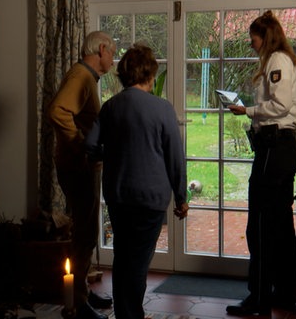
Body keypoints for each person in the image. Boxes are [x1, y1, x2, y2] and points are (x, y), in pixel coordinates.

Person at [85, 43, 189, 319]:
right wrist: (181, 197)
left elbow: (91, 144)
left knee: (123, 257)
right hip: (150, 199)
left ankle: (127, 313)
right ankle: (131, 315)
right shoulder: (162, 109)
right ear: (149, 74)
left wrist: (109, 154)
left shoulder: (110, 107)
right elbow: (175, 157)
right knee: (139, 262)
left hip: (119, 195)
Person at [225, 10, 296, 316]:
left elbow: (280, 106)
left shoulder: (277, 62)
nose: (251, 43)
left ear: (265, 36)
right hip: (284, 149)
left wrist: (247, 111)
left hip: (274, 148)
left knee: (259, 225)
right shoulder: (285, 61)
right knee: (282, 225)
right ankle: (284, 293)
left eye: (253, 37)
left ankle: (258, 297)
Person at [46, 31, 116, 319]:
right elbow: (58, 111)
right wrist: (80, 144)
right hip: (79, 167)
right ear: (101, 50)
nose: (113, 59)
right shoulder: (81, 76)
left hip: (82, 166)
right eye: (112, 52)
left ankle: (81, 294)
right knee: (85, 234)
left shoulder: (86, 77)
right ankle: (78, 302)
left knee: (86, 232)